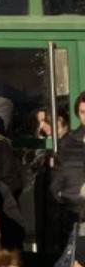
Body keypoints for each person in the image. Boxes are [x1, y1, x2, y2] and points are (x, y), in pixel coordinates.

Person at [49, 89, 85, 223]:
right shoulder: (67, 141)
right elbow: (58, 173)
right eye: (82, 112)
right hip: (75, 214)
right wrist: (59, 192)